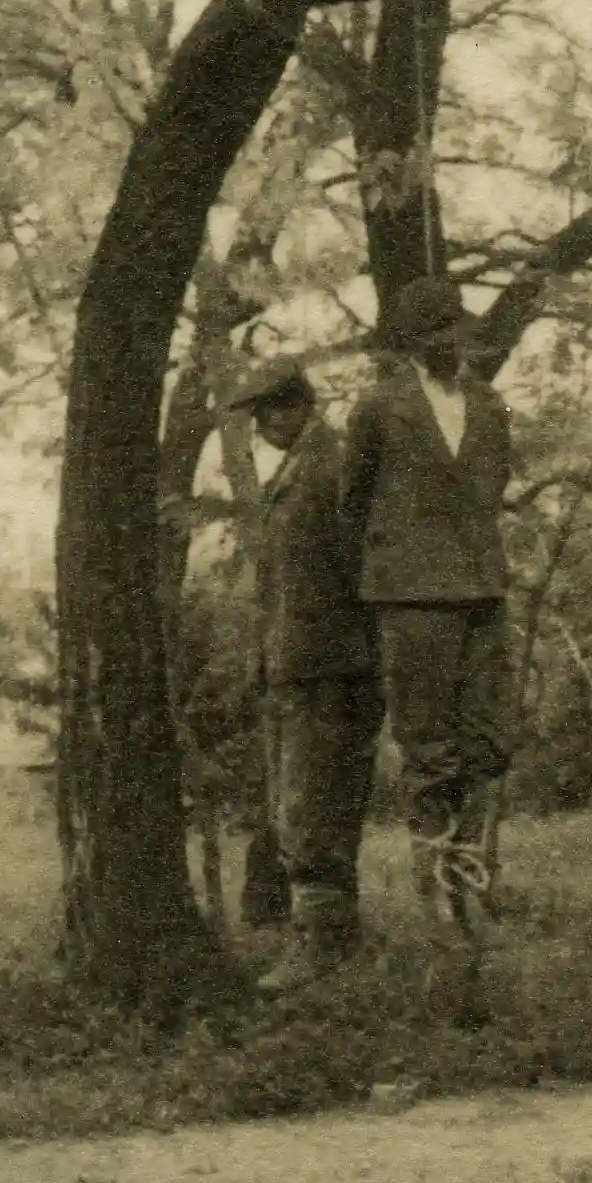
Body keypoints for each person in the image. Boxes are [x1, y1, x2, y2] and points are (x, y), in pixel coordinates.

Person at [337, 274, 515, 935]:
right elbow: (351, 509)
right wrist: (388, 580)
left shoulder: (492, 406)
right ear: (412, 341)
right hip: (412, 598)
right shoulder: (380, 408)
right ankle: (440, 899)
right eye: (436, 334)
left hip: (483, 589)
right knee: (430, 749)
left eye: (457, 331)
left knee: (488, 742)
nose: (452, 345)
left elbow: (493, 487)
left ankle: (470, 880)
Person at [230, 356, 384, 993]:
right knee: (296, 803)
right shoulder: (297, 470)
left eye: (269, 411)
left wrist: (363, 652)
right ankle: (322, 938)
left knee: (314, 804)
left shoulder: (332, 465)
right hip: (297, 665)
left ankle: (321, 947)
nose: (262, 425)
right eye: (257, 415)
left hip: (333, 666)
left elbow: (363, 565)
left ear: (296, 405)